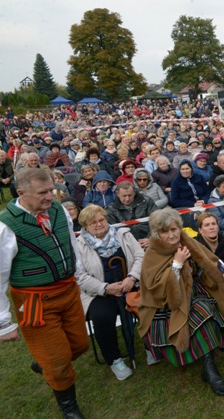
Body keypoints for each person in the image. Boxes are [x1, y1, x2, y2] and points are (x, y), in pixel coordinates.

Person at [0, 168, 89, 418]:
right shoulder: (5, 226)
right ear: (21, 193)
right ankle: (69, 408)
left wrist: (78, 272)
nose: (50, 196)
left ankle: (46, 363)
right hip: (34, 301)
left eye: (51, 190)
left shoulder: (59, 210)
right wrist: (3, 323)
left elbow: (70, 243)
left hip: (68, 291)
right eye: (43, 193)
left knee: (80, 345)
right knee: (60, 363)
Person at [138, 208, 224, 396]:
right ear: (157, 234)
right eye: (165, 231)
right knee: (202, 312)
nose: (171, 235)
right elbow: (157, 289)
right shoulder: (153, 252)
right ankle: (211, 371)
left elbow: (208, 260)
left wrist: (222, 272)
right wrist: (176, 264)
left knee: (207, 307)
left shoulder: (186, 240)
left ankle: (209, 367)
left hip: (193, 291)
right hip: (165, 305)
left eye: (174, 229)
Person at [75, 204, 144, 380]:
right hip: (98, 292)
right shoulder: (78, 246)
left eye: (102, 220)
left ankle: (152, 346)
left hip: (130, 284)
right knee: (102, 316)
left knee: (150, 302)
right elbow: (80, 277)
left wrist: (132, 278)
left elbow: (140, 257)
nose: (99, 224)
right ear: (85, 226)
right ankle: (115, 360)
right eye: (93, 223)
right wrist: (105, 288)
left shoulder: (124, 234)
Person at [106, 181, 158, 248]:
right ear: (117, 194)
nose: (127, 199)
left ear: (134, 192)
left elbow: (158, 222)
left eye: (130, 195)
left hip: (150, 241)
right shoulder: (111, 210)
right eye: (124, 196)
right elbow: (113, 232)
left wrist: (151, 239)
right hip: (127, 245)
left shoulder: (147, 201)